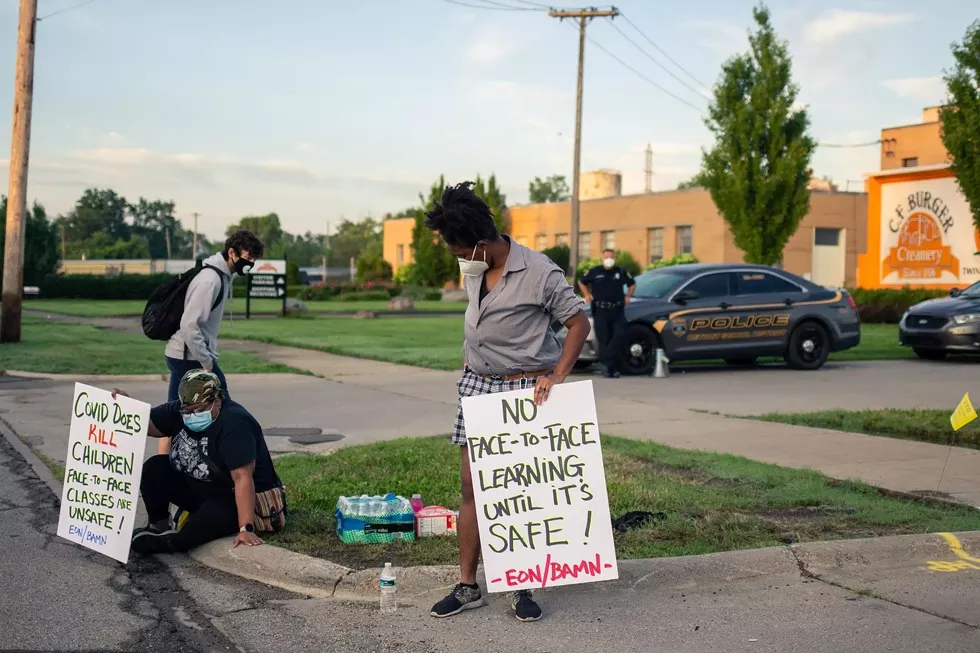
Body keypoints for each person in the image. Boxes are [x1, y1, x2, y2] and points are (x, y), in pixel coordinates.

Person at [423, 181, 590, 622]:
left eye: (461, 249)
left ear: (481, 243)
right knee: (472, 489)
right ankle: (467, 586)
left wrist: (557, 376)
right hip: (477, 386)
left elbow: (578, 323)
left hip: (523, 390)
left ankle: (523, 585)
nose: (458, 258)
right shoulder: (475, 269)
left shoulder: (540, 272)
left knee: (519, 494)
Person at [112, 369, 285, 556]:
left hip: (232, 497)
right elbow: (148, 424)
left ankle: (172, 543)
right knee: (155, 467)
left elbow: (243, 478)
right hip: (202, 488)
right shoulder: (178, 410)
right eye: (188, 411)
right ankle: (158, 526)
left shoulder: (235, 423)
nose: (193, 415)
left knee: (198, 529)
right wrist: (126, 406)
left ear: (217, 401)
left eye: (200, 410)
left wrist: (246, 529)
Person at [159, 230, 265, 456]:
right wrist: (206, 361)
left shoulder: (220, 275)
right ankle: (233, 460)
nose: (251, 263)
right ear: (231, 252)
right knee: (224, 408)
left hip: (182, 354)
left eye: (255, 259)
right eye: (248, 257)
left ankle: (166, 465)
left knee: (173, 414)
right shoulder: (211, 280)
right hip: (189, 356)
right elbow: (189, 324)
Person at [578, 249, 635, 378]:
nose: (609, 259)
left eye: (611, 257)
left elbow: (632, 284)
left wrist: (628, 296)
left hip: (617, 309)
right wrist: (587, 295)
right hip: (601, 310)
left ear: (614, 259)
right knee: (604, 340)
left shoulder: (620, 271)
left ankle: (605, 363)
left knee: (618, 336)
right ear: (602, 259)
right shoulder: (595, 271)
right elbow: (581, 282)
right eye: (606, 257)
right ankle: (610, 370)